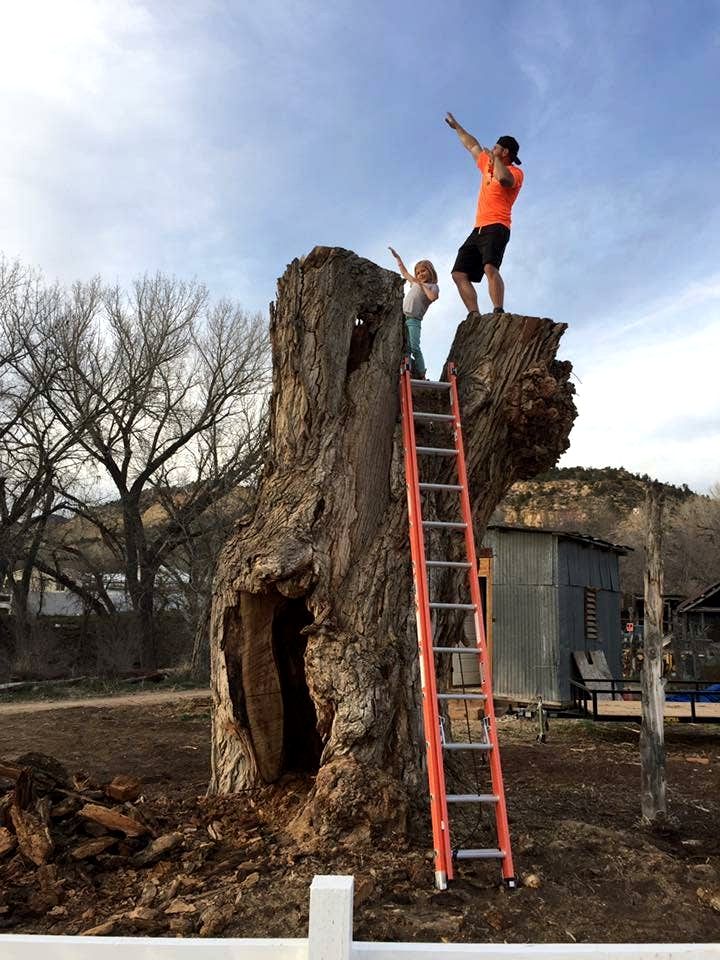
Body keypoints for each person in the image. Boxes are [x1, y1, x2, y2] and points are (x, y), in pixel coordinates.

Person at [445, 112, 524, 315]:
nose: (492, 148)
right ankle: (474, 314)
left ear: (504, 151)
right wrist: (457, 127)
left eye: (497, 147)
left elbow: (505, 180)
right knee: (458, 273)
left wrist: (494, 159)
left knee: (490, 267)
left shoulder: (516, 173)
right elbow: (472, 145)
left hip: (498, 225)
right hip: (478, 228)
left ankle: (498, 310)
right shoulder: (487, 164)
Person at [388, 248, 439, 379]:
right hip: (402, 317)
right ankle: (406, 369)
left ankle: (421, 373)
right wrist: (398, 258)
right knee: (404, 347)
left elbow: (432, 297)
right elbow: (404, 273)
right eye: (417, 272)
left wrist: (422, 285)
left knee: (414, 347)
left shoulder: (432, 286)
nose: (420, 274)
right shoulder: (415, 282)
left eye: (423, 271)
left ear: (430, 271)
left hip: (414, 320)